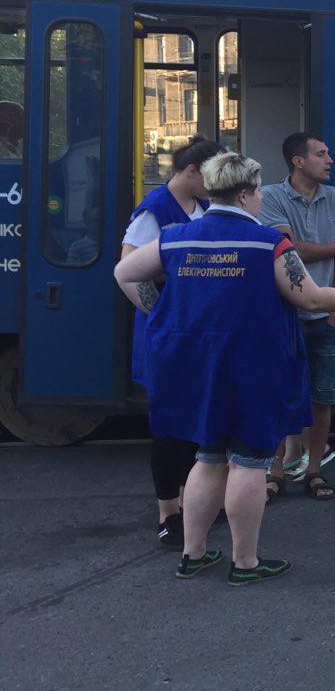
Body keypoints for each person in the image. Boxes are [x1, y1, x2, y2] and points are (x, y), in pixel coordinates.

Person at [113, 152, 335, 585]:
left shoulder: (176, 237)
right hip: (252, 369)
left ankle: (193, 555)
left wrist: (161, 315)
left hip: (198, 370)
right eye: (258, 193)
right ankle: (245, 563)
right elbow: (312, 299)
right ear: (246, 193)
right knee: (249, 463)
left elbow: (125, 272)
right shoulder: (269, 244)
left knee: (208, 459)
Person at [121, 135, 224, 549]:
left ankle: (190, 502)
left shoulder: (200, 209)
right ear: (192, 172)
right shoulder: (154, 210)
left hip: (194, 334)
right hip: (167, 334)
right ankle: (168, 512)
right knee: (168, 427)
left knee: (193, 424)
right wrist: (158, 316)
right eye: (211, 176)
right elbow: (128, 268)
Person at [259, 134, 335, 502]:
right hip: (284, 313)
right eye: (321, 153)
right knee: (281, 393)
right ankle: (276, 470)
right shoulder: (271, 197)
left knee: (323, 396)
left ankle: (314, 470)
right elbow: (289, 252)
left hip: (324, 315)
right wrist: (334, 248)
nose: (329, 159)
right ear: (298, 162)